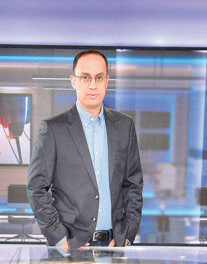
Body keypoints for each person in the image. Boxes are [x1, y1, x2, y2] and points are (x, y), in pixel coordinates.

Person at [27, 50, 143, 252]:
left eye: (99, 78)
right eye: (85, 77)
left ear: (107, 81)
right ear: (73, 81)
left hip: (114, 245)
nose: (92, 85)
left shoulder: (124, 126)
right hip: (71, 246)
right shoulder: (53, 129)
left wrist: (127, 234)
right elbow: (36, 187)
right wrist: (59, 239)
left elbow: (133, 185)